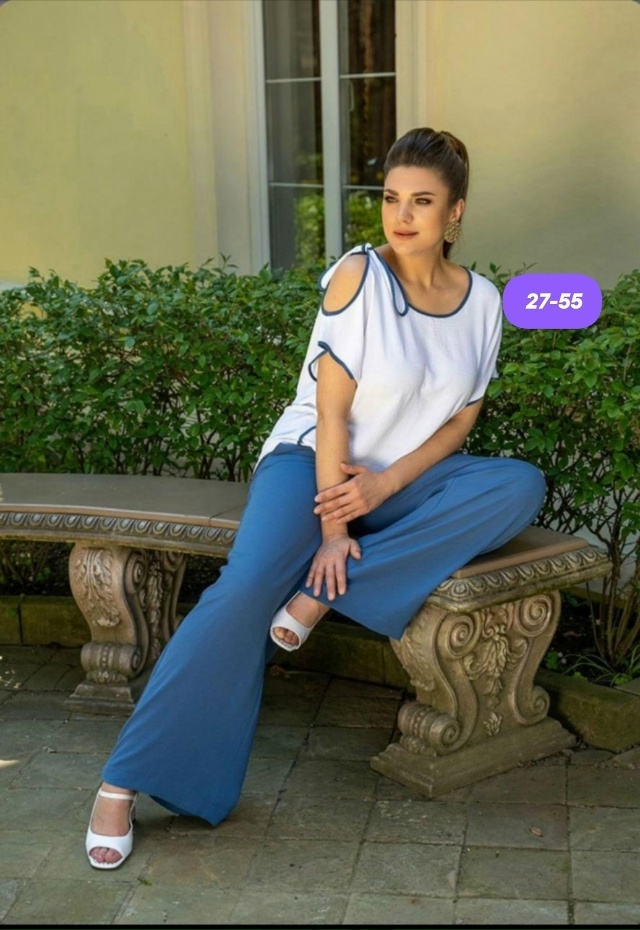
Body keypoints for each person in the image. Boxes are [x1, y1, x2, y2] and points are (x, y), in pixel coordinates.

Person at [86, 127, 546, 868]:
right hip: (313, 464)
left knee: (517, 485)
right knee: (242, 592)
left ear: (455, 212)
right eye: (391, 198)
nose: (402, 216)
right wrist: (334, 530)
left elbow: (462, 422)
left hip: (396, 480)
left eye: (422, 201)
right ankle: (123, 780)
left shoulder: (484, 302)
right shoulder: (358, 276)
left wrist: (385, 484)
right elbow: (331, 412)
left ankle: (320, 596)